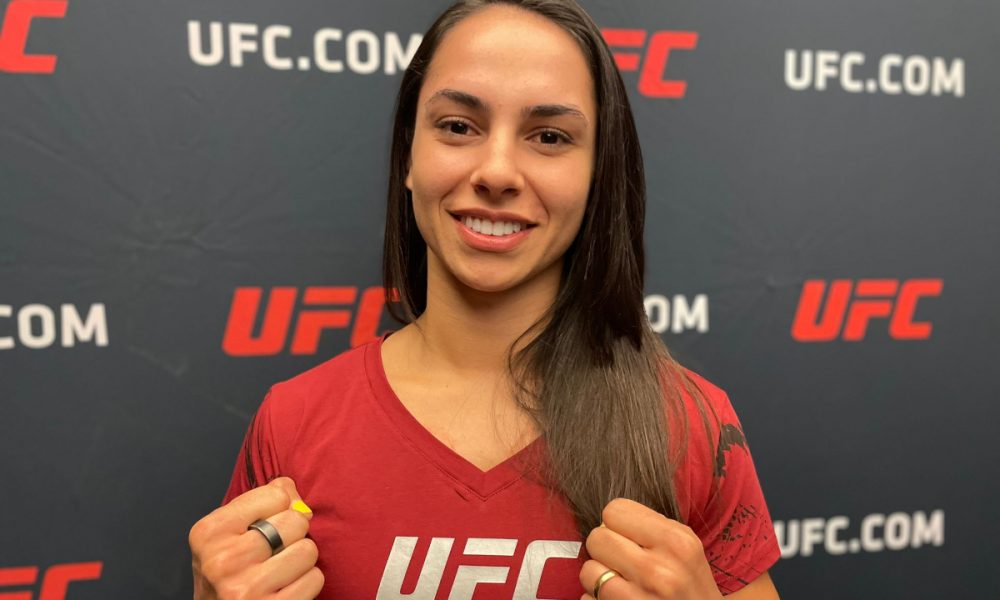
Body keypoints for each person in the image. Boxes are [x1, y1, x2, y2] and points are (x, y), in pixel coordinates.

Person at [188, 1, 782, 598]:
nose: (497, 171)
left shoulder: (689, 425)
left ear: (597, 172)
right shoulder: (294, 421)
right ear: (409, 157)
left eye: (549, 137)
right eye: (457, 126)